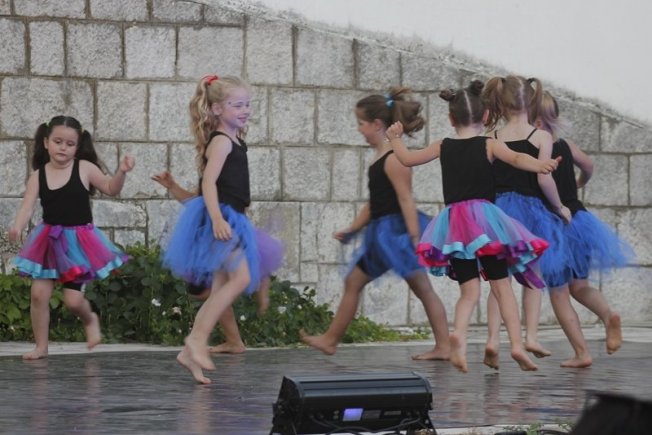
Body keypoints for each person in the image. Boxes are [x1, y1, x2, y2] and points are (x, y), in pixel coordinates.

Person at [387, 80, 559, 372]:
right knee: (502, 287)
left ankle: (459, 335)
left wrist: (395, 138)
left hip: (455, 224)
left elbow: (407, 159)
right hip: (484, 223)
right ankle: (517, 346)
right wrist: (540, 166)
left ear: (450, 118)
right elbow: (517, 158)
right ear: (486, 116)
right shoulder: (489, 144)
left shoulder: (442, 145)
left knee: (469, 292)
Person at [301, 88, 451, 361]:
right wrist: (353, 228)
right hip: (385, 233)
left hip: (395, 235)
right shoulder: (382, 158)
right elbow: (375, 203)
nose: (359, 129)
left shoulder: (395, 159)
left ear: (377, 124)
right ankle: (331, 339)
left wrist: (414, 238)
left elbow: (406, 199)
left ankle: (331, 339)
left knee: (372, 283)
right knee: (410, 287)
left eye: (361, 123)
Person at [8, 115, 135, 360]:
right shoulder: (38, 176)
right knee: (38, 295)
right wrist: (17, 226)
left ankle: (90, 319)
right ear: (46, 142)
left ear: (77, 147)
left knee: (73, 301)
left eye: (70, 144)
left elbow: (111, 188)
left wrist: (121, 172)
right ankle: (41, 346)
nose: (63, 148)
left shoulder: (84, 168)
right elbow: (27, 207)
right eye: (58, 142)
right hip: (48, 241)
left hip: (78, 243)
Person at [162, 74, 261, 384]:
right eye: (237, 105)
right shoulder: (220, 142)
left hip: (232, 219)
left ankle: (189, 353)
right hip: (221, 220)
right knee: (241, 278)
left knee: (219, 290)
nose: (244, 110)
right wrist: (218, 219)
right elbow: (208, 183)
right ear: (217, 109)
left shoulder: (234, 140)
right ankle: (196, 340)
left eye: (247, 104)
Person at [534, 91, 632, 361]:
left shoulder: (535, 149)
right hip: (579, 220)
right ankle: (608, 315)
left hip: (553, 223)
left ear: (536, 122)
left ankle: (582, 353)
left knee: (559, 292)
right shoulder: (566, 145)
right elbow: (588, 164)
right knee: (580, 286)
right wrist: (578, 183)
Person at [482, 75, 571, 368]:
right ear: (531, 101)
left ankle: (493, 340)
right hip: (529, 212)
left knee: (499, 279)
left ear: (501, 101)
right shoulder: (541, 137)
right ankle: (530, 336)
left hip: (498, 212)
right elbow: (543, 178)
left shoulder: (492, 137)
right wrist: (559, 206)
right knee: (533, 274)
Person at [151, 170, 283, 354]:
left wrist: (217, 218)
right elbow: (197, 202)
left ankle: (227, 339)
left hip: (222, 234)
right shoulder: (212, 169)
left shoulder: (221, 167)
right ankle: (232, 340)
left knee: (215, 289)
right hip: (210, 237)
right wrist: (173, 186)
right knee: (211, 291)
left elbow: (216, 203)